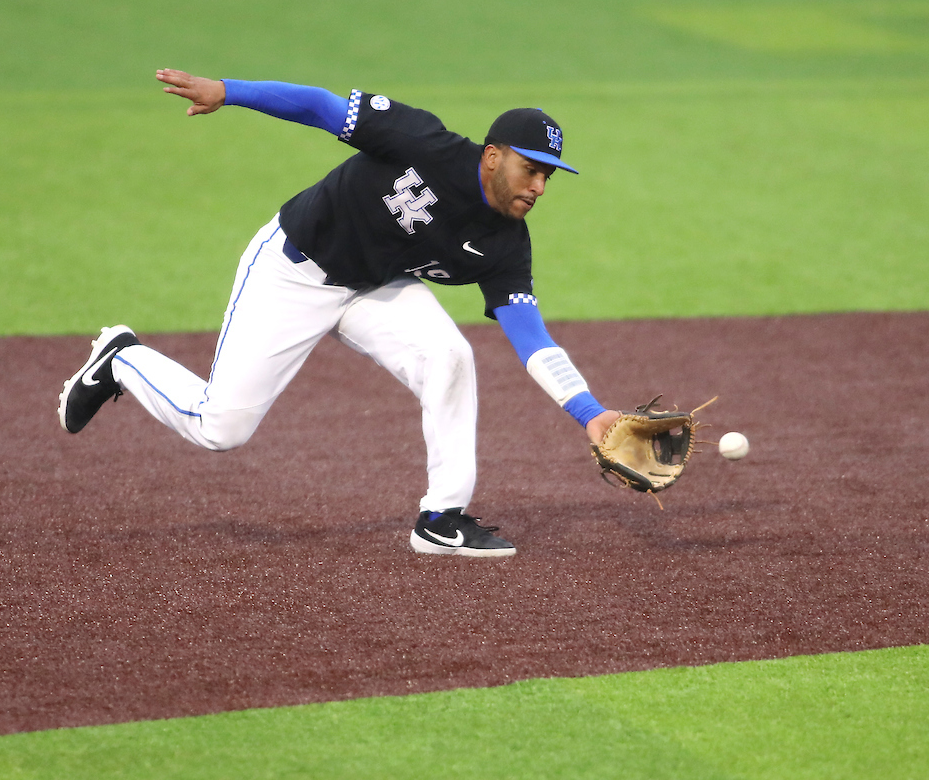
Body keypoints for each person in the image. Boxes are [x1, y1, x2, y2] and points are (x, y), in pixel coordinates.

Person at [58, 68, 620, 558]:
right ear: (494, 156)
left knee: (449, 355)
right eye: (531, 169)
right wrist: (228, 92)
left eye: (549, 175)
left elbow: (532, 337)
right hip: (294, 270)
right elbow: (321, 107)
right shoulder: (423, 141)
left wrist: (590, 414)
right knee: (220, 428)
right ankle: (123, 359)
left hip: (373, 288)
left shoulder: (506, 244)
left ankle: (441, 519)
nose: (540, 186)